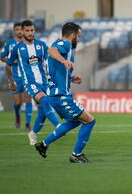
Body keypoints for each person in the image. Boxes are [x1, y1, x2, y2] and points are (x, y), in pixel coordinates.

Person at [34, 22, 96, 163]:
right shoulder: (65, 44)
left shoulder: (62, 45)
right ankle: (77, 154)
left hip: (56, 95)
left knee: (75, 122)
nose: (79, 39)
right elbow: (51, 50)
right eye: (78, 36)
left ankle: (43, 144)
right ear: (73, 35)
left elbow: (56, 70)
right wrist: (63, 60)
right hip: (60, 96)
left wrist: (71, 78)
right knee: (90, 121)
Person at [7, 20, 61, 145]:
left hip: (44, 82)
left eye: (32, 30)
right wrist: (12, 81)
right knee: (45, 101)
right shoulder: (18, 48)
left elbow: (50, 59)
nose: (30, 33)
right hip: (29, 82)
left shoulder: (41, 45)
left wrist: (61, 59)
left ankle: (33, 133)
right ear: (23, 31)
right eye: (27, 30)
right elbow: (8, 64)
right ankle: (59, 126)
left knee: (43, 111)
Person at [0, 22, 33, 130]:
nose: (19, 31)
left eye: (20, 29)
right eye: (17, 29)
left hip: (26, 76)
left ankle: (28, 123)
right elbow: (2, 57)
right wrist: (11, 60)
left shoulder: (28, 44)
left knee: (28, 99)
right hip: (15, 77)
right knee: (18, 102)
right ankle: (17, 115)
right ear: (14, 31)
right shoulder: (10, 43)